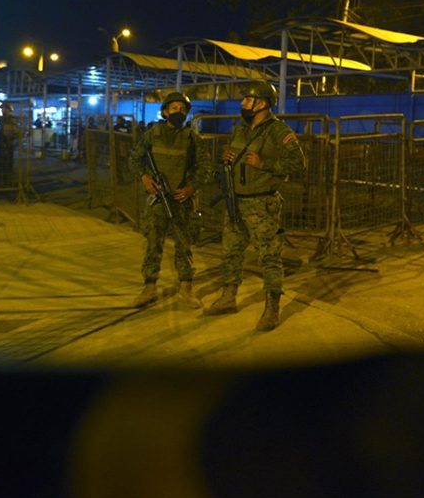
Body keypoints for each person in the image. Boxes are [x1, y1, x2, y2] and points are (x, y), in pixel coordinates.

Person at [204, 81, 306, 331]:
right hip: (236, 200)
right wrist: (228, 156)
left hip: (262, 203)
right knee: (230, 252)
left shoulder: (278, 131)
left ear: (261, 103)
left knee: (269, 257)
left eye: (247, 99)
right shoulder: (241, 129)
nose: (242, 103)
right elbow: (235, 155)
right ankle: (228, 297)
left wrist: (265, 164)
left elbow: (298, 165)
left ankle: (272, 309)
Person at [127, 92, 212, 309]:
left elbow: (205, 167)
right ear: (165, 111)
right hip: (158, 199)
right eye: (174, 108)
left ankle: (186, 288)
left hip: (181, 199)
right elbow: (135, 158)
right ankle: (149, 287)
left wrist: (191, 187)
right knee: (153, 244)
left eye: (182, 109)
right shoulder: (152, 134)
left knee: (184, 245)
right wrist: (144, 177)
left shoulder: (192, 138)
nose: (178, 112)